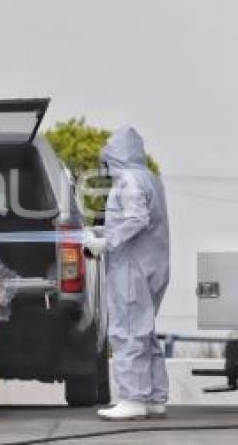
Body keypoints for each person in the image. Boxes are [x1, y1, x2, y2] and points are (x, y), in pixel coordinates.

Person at [84, 126, 170, 421]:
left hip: (131, 268)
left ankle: (133, 399)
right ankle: (154, 398)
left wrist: (106, 242)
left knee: (128, 331)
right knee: (144, 332)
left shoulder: (128, 179)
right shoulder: (149, 178)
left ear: (116, 155)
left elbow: (136, 219)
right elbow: (135, 218)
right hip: (151, 264)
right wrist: (99, 232)